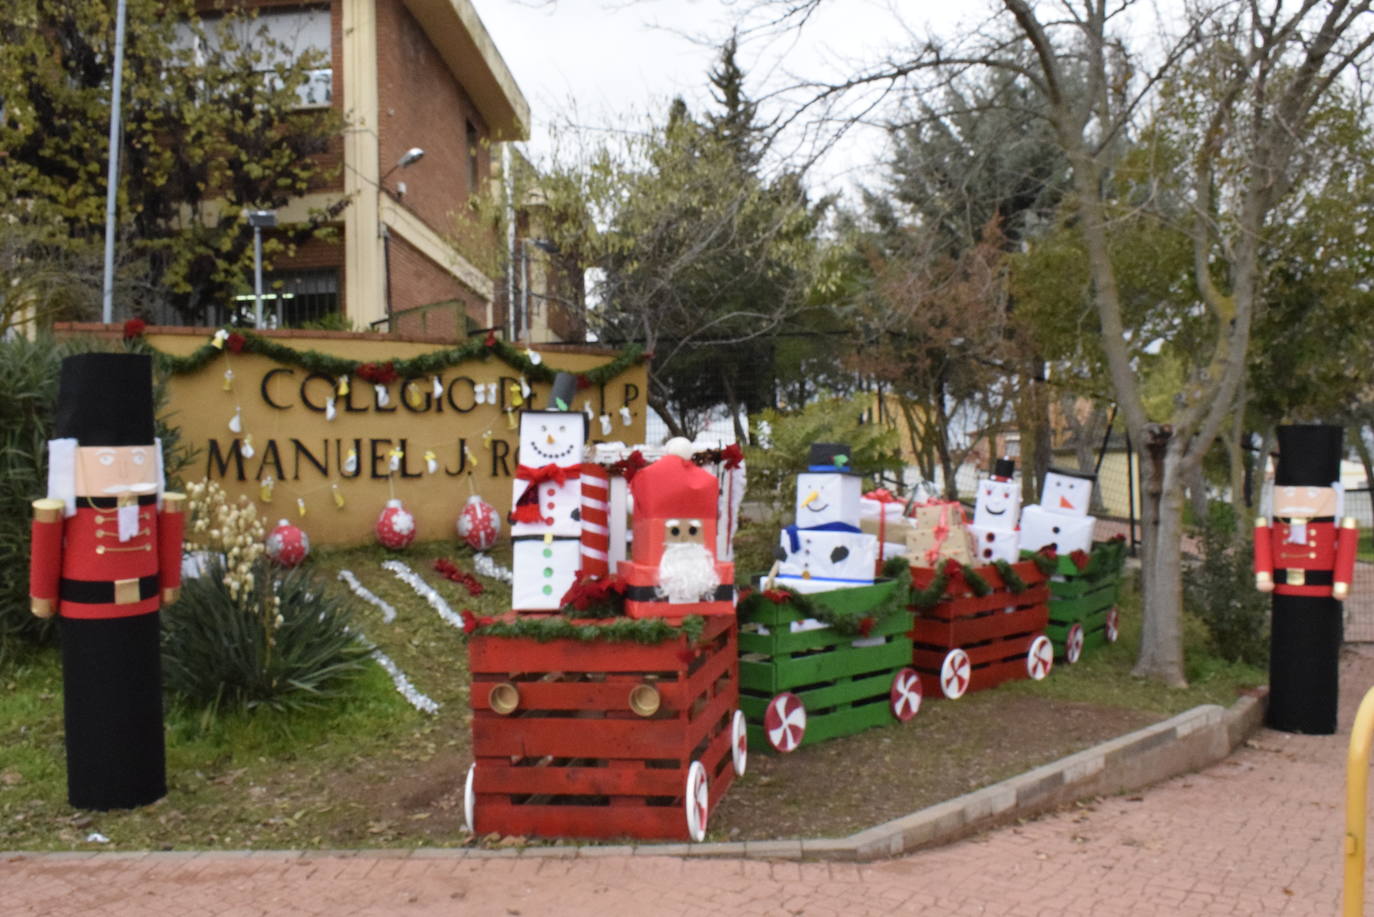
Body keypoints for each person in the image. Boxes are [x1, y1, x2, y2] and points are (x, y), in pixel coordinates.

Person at [29, 352, 185, 809]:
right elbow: (46, 538)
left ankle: (143, 779)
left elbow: (168, 529)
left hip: (140, 606)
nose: (120, 468)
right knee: (95, 699)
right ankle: (99, 784)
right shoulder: (64, 506)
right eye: (106, 457)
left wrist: (169, 582)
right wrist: (42, 595)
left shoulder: (150, 504)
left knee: (139, 693)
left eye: (133, 457)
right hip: (87, 609)